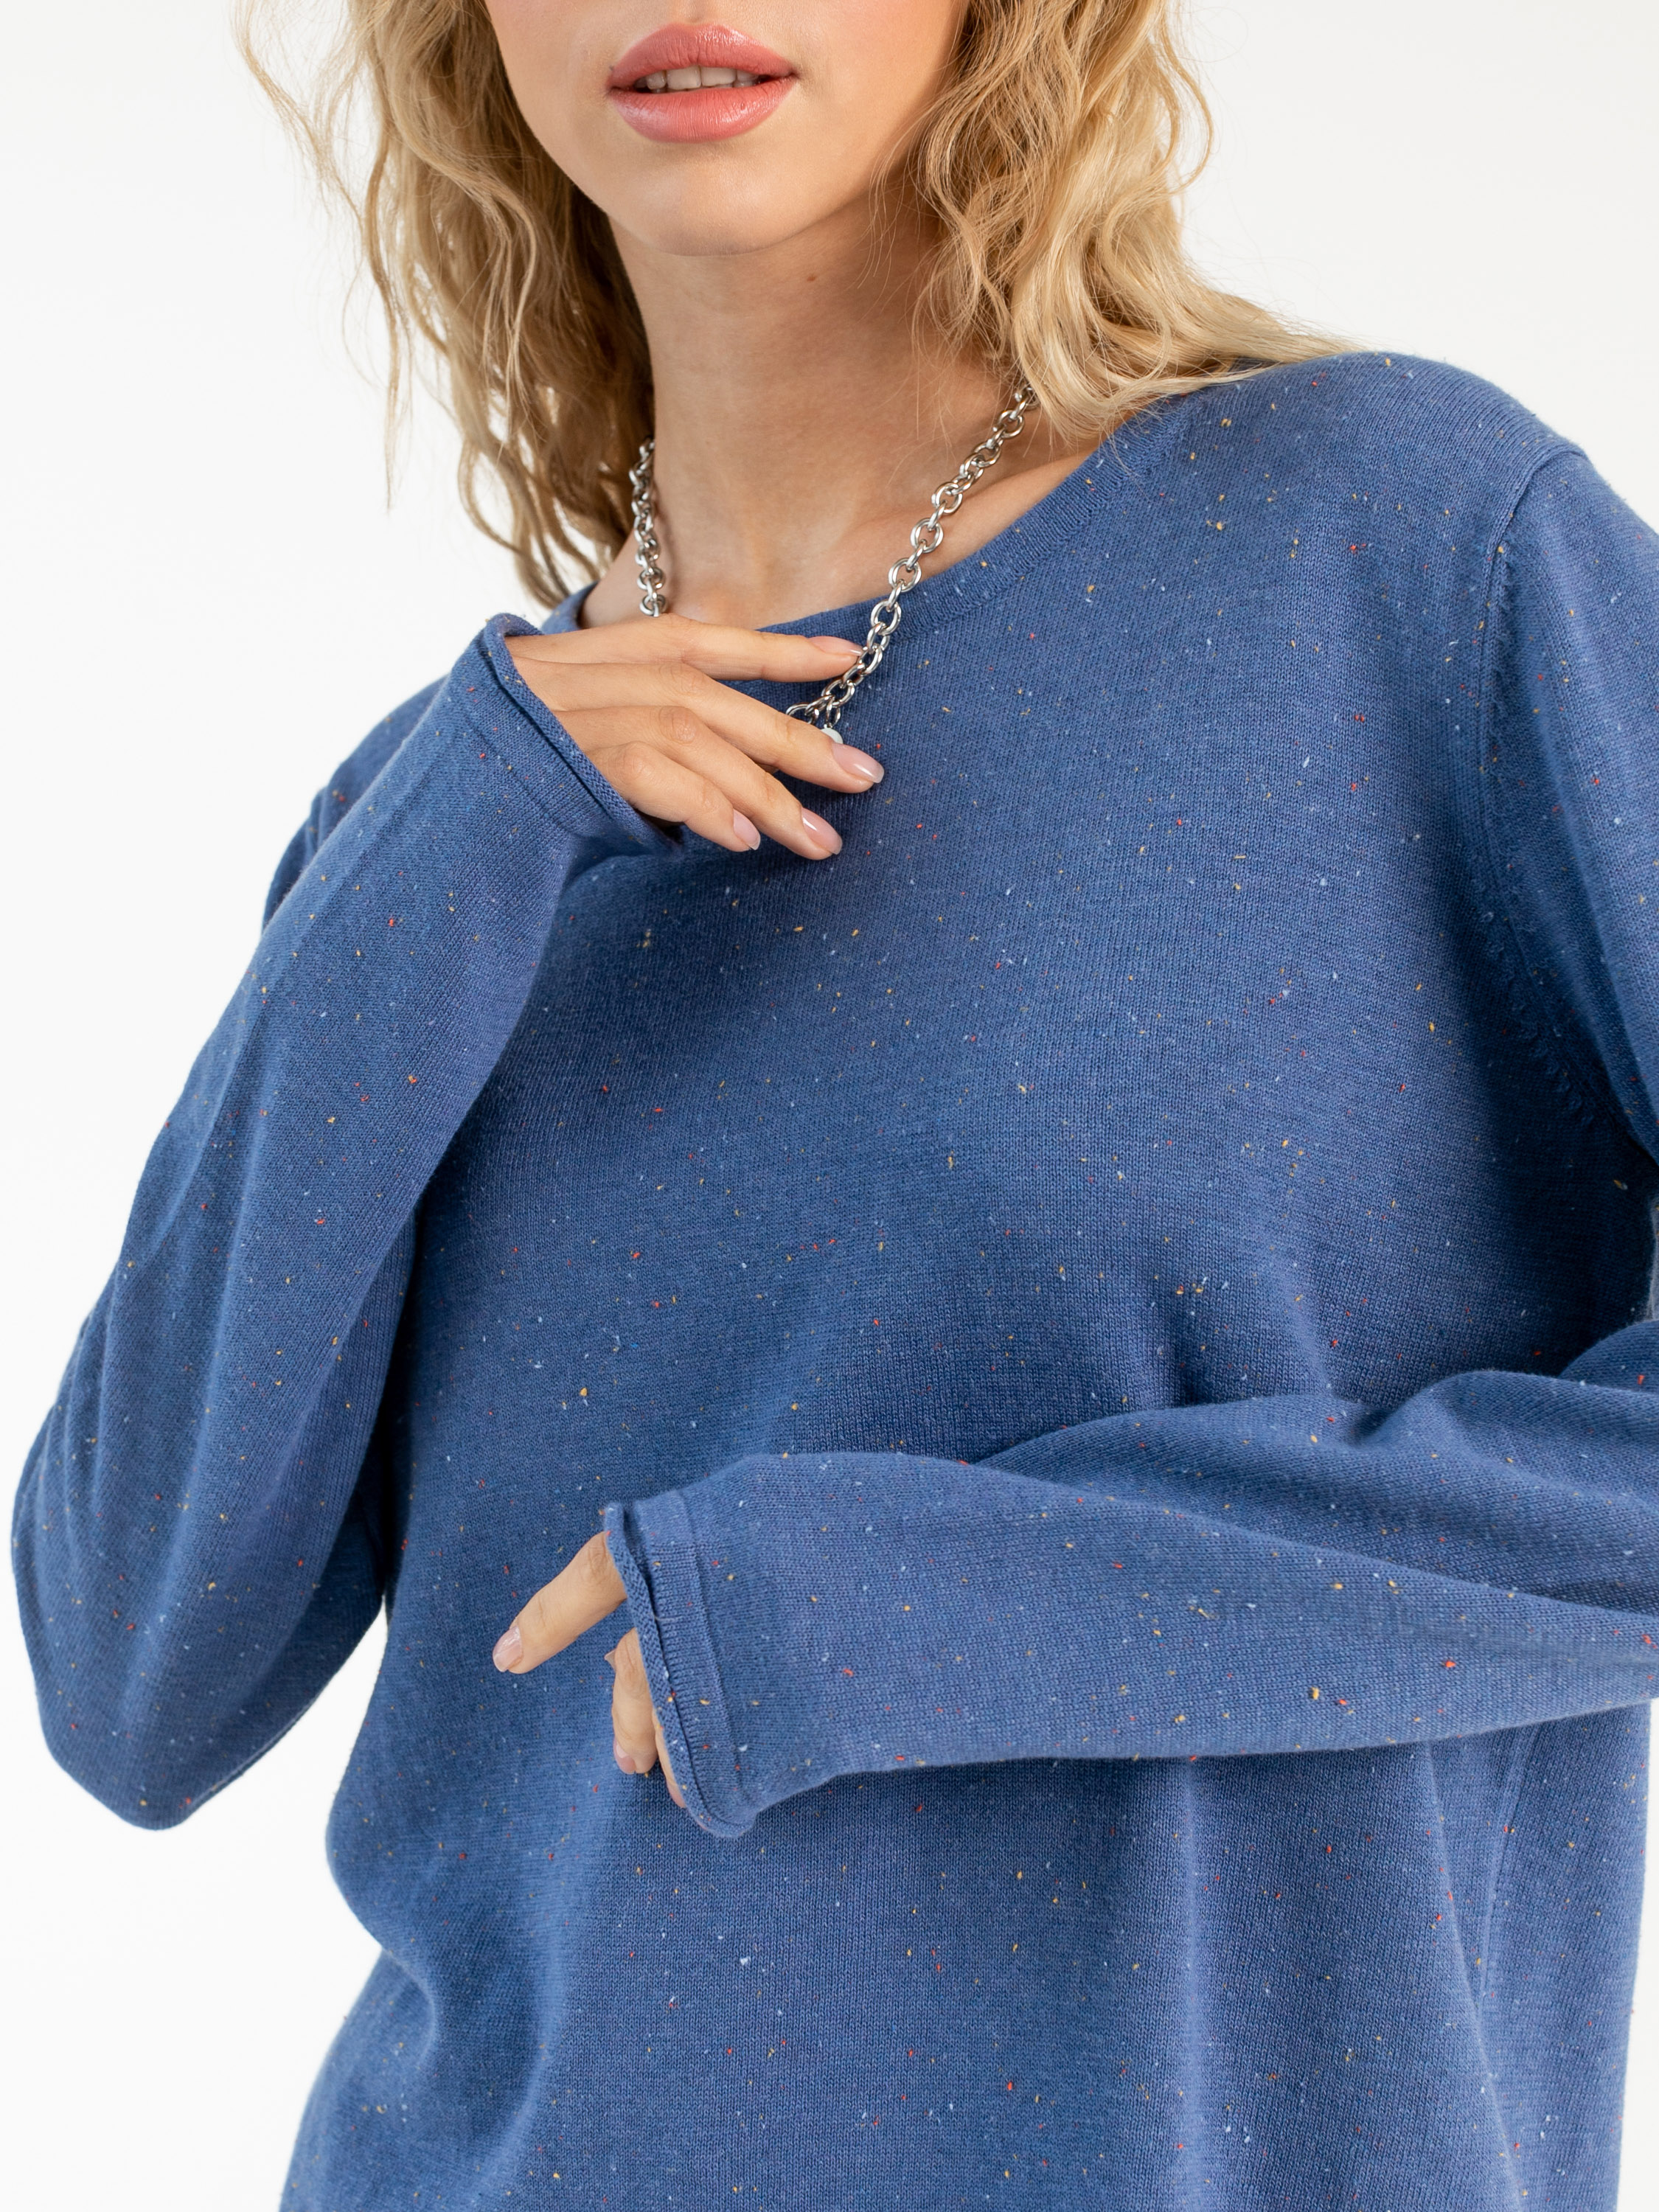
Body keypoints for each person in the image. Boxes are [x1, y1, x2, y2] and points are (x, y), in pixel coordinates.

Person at [14, 0, 1659, 2204]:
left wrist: (930, 1599)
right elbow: (129, 1683)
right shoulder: (445, 818)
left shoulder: (1396, 554)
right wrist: (461, 824)